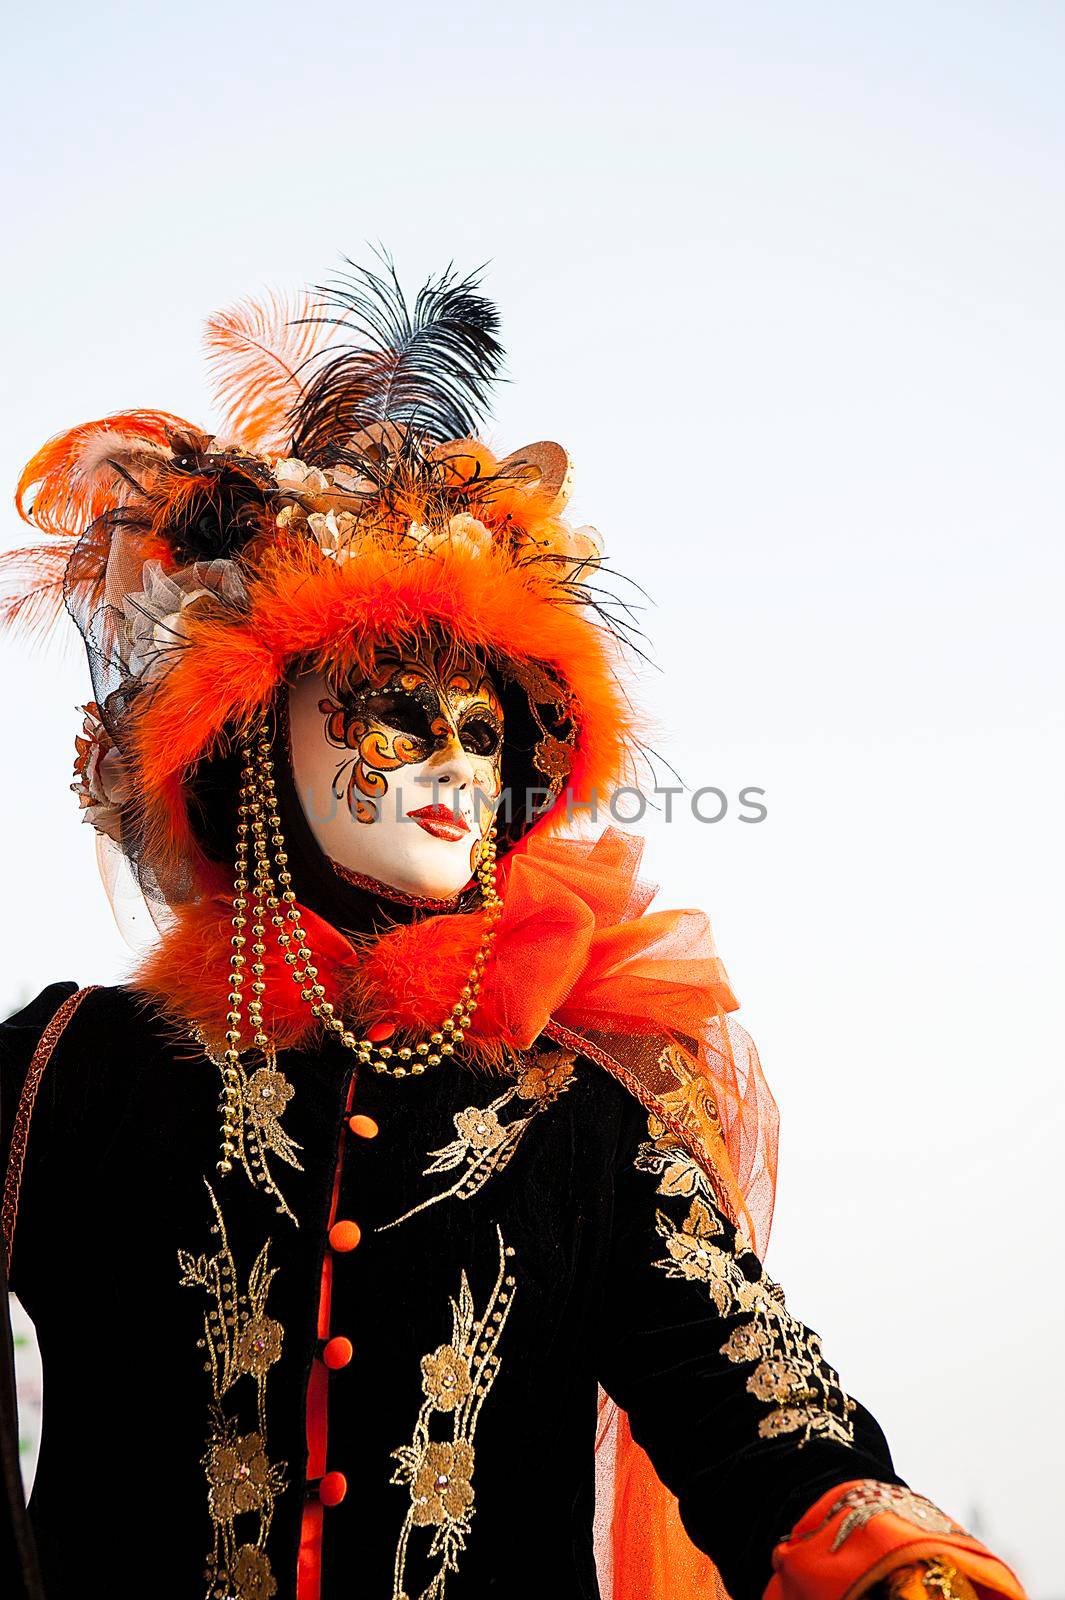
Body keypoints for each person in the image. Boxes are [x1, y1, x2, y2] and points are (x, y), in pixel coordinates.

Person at [0, 257, 1025, 1600]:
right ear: (253, 738)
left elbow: (755, 1413)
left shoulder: (579, 1114)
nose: (452, 765)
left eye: (483, 732)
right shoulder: (71, 1067)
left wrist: (896, 1563)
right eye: (391, 711)